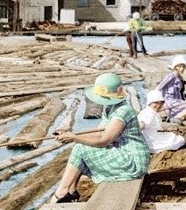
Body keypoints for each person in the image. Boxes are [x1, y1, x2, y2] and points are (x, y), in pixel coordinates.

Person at [50, 73, 150, 202]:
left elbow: (104, 141)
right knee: (79, 146)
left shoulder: (124, 110)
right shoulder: (110, 108)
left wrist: (75, 138)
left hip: (133, 161)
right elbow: (98, 132)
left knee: (80, 148)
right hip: (121, 153)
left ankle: (62, 192)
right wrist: (70, 135)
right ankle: (71, 190)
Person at [138, 89, 186, 153]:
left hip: (156, 139)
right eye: (156, 103)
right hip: (157, 144)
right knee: (185, 139)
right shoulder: (148, 115)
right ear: (150, 103)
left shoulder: (148, 112)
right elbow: (140, 126)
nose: (158, 105)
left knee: (181, 135)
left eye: (160, 103)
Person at [154, 55, 186, 124]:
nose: (182, 68)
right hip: (171, 103)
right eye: (179, 66)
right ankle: (176, 118)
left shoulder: (180, 78)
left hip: (178, 101)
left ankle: (176, 118)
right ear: (175, 67)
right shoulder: (170, 77)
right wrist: (158, 103)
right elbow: (158, 88)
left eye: (183, 66)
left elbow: (180, 94)